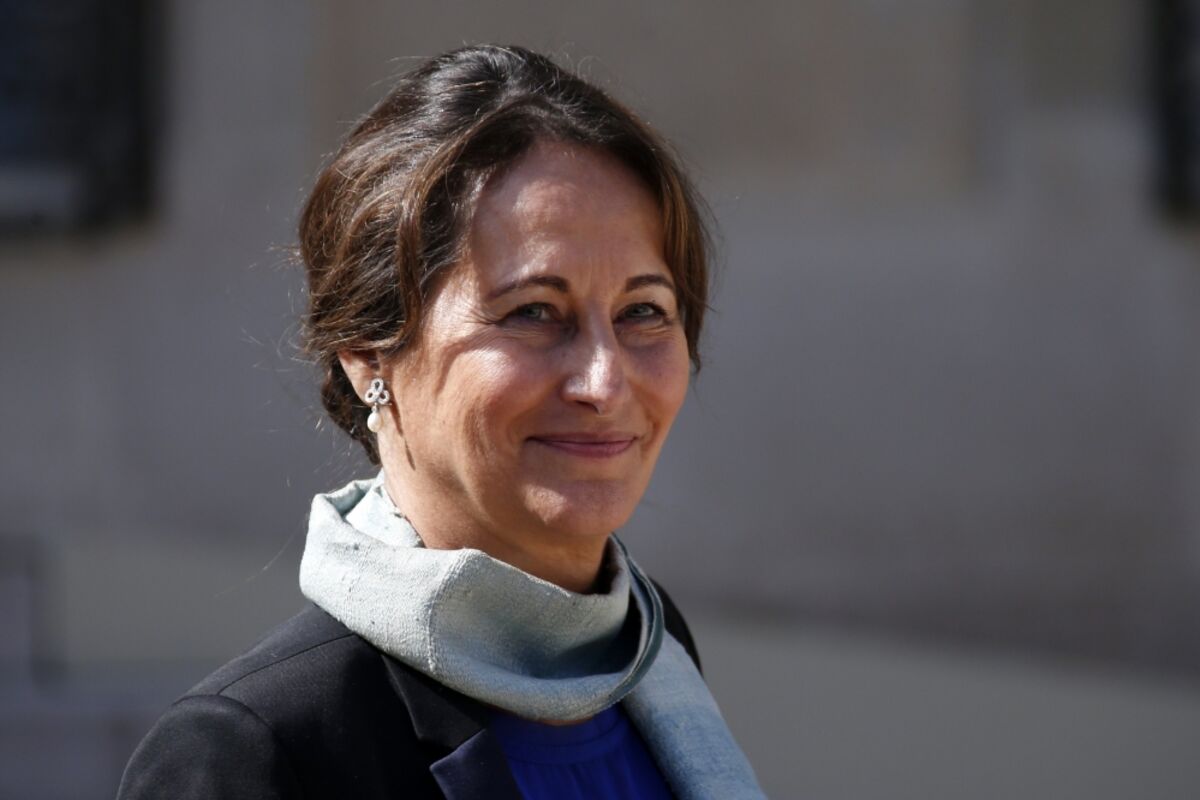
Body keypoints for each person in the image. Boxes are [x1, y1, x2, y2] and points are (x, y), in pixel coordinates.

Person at [117, 44, 764, 799]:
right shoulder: (254, 751)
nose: (603, 381)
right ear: (368, 354)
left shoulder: (648, 655)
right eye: (534, 313)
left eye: (644, 311)